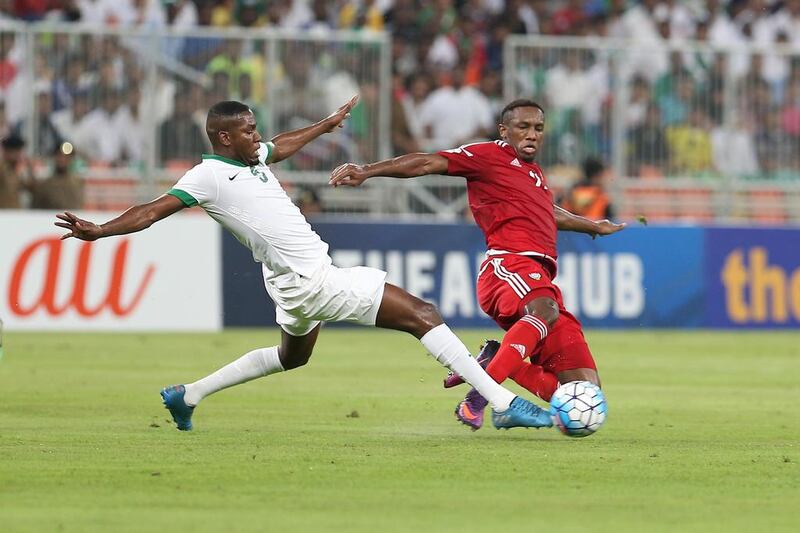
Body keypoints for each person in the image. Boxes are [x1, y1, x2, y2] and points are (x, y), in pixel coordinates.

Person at [54, 96, 552, 432]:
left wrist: (327, 126)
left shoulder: (253, 159)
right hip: (309, 279)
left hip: (288, 284)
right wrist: (100, 230)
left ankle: (189, 395)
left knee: (293, 357)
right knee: (423, 314)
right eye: (249, 131)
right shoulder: (206, 177)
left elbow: (282, 145)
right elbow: (152, 210)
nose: (259, 137)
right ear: (224, 138)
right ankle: (503, 404)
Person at [329, 99, 625, 430]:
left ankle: (495, 360)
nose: (532, 135)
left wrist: (594, 226)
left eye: (538, 128)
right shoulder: (488, 156)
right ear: (504, 130)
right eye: (523, 127)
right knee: (544, 311)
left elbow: (549, 213)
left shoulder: (535, 174)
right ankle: (479, 397)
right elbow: (427, 163)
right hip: (508, 266)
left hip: (539, 278)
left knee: (582, 392)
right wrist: (368, 171)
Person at [31, 142, 84, 210]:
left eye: (66, 156)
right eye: (59, 155)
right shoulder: (45, 185)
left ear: (71, 158)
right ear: (54, 157)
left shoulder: (78, 183)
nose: (62, 159)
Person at [0, 134, 34, 209]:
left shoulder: (16, 170)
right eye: (17, 151)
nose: (19, 155)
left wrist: (30, 169)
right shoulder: (2, 169)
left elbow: (31, 188)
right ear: (6, 152)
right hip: (3, 214)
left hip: (15, 214)